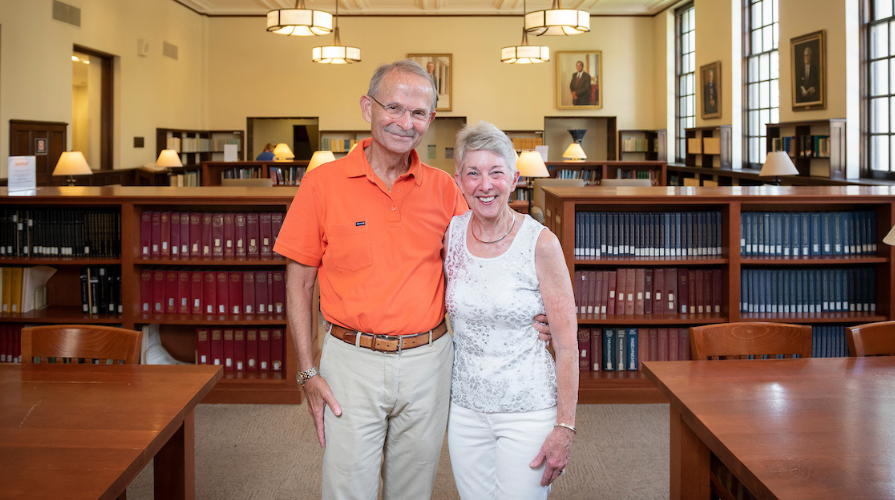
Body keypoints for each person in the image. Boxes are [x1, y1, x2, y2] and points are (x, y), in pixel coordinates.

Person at [272, 60, 549, 500]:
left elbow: (491, 252)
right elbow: (299, 280)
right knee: (347, 490)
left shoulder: (446, 189)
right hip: (350, 361)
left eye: (418, 113)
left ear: (431, 121)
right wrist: (307, 370)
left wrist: (538, 309)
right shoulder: (321, 185)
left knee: (413, 490)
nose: (405, 122)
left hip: (429, 362)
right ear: (368, 107)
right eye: (394, 107)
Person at [444, 121, 579, 499]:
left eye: (495, 172)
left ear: (514, 178)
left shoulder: (541, 243)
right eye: (473, 173)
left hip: (528, 409)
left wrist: (565, 427)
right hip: (465, 409)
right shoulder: (451, 234)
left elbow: (567, 345)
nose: (485, 185)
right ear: (459, 179)